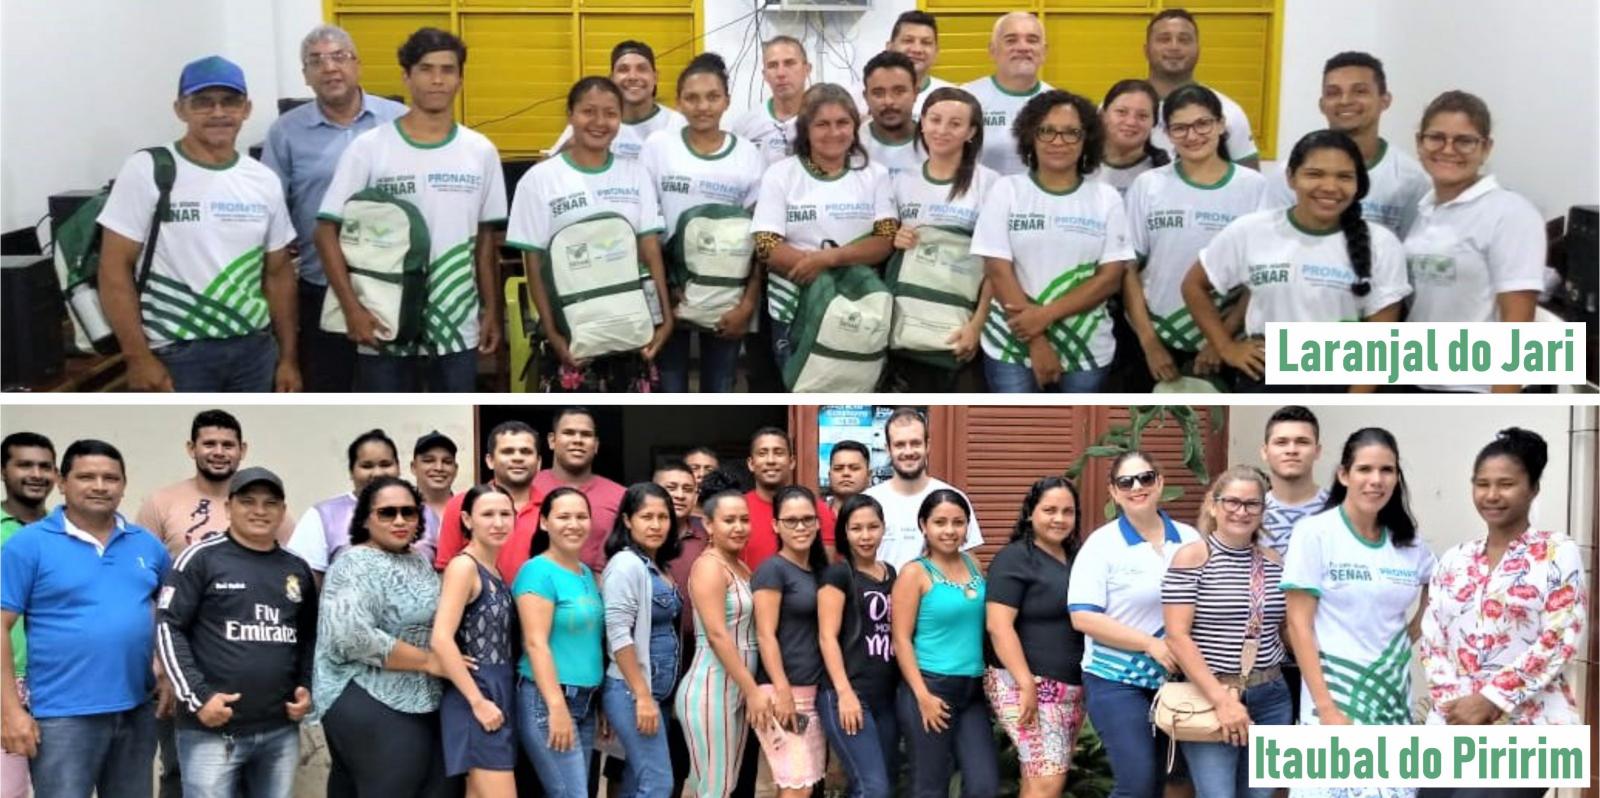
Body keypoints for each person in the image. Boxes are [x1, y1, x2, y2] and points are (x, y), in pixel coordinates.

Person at [317, 27, 506, 393]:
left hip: (456, 323)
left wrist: (490, 310)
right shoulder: (369, 148)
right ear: (406, 76)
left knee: (453, 429)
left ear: (460, 78)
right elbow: (326, 232)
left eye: (447, 70)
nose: (437, 79)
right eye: (425, 68)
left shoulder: (480, 150)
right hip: (383, 320)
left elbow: (485, 241)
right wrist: (352, 309)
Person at [98, 55, 299, 393]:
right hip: (177, 355)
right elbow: (114, 268)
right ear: (180, 109)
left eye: (230, 102)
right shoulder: (148, 169)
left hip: (255, 352)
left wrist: (288, 359)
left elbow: (278, 274)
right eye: (203, 103)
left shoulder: (263, 179)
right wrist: (137, 357)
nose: (219, 113)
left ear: (246, 108)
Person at [1419, 429, 1585, 798]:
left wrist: (1490, 700)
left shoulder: (1557, 552)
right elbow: (1432, 640)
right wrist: (1456, 707)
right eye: (1482, 484)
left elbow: (1558, 639)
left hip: (1529, 725)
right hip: (1454, 723)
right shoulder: (1455, 558)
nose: (1492, 495)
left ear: (1533, 489)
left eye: (1506, 484)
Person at [1, 440, 170, 798]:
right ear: (63, 482)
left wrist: (168, 676)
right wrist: (11, 712)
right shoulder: (28, 544)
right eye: (86, 476)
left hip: (137, 710)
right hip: (61, 717)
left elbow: (174, 618)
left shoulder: (148, 545)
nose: (99, 485)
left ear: (124, 485)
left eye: (110, 477)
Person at [1182, 130, 1411, 392]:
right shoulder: (1251, 230)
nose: (1329, 186)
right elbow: (1193, 285)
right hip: (1264, 373)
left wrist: (1351, 401)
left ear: (1359, 184)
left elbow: (1380, 346)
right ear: (1291, 177)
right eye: (1314, 174)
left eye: (1344, 177)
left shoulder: (1381, 244)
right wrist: (1227, 347)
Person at [156, 467, 318, 798]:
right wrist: (199, 698)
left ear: (282, 512)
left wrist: (305, 687)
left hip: (279, 730)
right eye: (248, 502)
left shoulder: (296, 568)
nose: (259, 511)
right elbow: (168, 627)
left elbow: (308, 636)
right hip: (212, 730)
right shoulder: (200, 558)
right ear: (228, 508)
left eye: (270, 503)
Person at [262, 24, 407, 391]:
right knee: (330, 387)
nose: (329, 68)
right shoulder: (285, 132)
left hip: (393, 285)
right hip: (319, 284)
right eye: (316, 61)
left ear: (357, 64)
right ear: (306, 75)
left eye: (339, 57)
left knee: (394, 389)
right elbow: (271, 209)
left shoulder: (399, 120)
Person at [508, 77, 673, 394]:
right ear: (570, 114)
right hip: (572, 336)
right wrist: (555, 336)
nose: (600, 122)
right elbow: (533, 263)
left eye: (610, 113)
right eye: (588, 112)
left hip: (633, 333)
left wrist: (664, 321)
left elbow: (650, 251)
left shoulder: (635, 173)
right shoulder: (539, 180)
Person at [973, 89, 1133, 393]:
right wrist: (1036, 339)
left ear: (1087, 139)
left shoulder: (1106, 198)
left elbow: (1110, 279)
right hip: (1011, 343)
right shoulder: (1007, 190)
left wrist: (1044, 316)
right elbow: (997, 269)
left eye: (1071, 133)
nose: (1058, 141)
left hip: (1085, 347)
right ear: (1030, 136)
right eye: (1047, 131)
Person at [1280, 428, 1434, 733]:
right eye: (1364, 469)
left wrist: (1414, 631)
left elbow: (1439, 583)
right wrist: (1327, 710)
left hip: (1393, 699)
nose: (1376, 480)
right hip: (1334, 703)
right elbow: (1299, 626)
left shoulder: (1408, 541)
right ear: (1344, 475)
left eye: (1387, 470)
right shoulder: (1314, 533)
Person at [1068, 451, 1201, 798]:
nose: (1136, 487)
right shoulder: (1102, 544)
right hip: (1117, 681)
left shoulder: (1190, 539)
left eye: (1145, 478)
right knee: (1137, 783)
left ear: (1159, 482)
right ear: (1113, 492)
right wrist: (1150, 643)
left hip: (1177, 683)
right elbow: (1083, 616)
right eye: (1125, 482)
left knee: (1168, 783)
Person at [1121, 84, 1267, 391]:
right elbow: (1128, 270)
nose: (1192, 135)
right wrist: (1149, 343)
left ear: (1221, 125)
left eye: (1203, 124)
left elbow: (1260, 278)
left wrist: (1221, 340)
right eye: (1180, 128)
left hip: (1229, 343)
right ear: (1167, 133)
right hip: (1158, 339)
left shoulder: (1255, 188)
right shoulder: (1148, 186)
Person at [312, 476, 448, 798]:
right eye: (387, 513)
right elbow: (351, 636)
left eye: (409, 512)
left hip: (421, 696)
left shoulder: (418, 561)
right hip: (366, 691)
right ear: (365, 518)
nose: (400, 520)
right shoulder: (353, 562)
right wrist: (430, 661)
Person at [1404, 91, 1546, 394]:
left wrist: (1501, 399)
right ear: (1419, 143)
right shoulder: (1425, 208)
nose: (1448, 149)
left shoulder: (1511, 212)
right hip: (1418, 378)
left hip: (1474, 385)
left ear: (1486, 148)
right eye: (1436, 138)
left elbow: (1517, 323)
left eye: (1464, 141)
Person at [1162, 466, 1290, 798]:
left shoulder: (1275, 563)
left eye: (1252, 504)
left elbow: (1288, 629)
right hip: (1210, 696)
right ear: (1213, 505)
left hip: (1271, 696)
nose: (1241, 511)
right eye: (1232, 501)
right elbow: (1177, 636)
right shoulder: (1192, 558)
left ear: (1263, 511)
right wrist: (1223, 701)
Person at [640, 53, 765, 394]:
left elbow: (761, 238)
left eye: (712, 97)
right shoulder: (658, 147)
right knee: (669, 383)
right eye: (692, 98)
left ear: (727, 100)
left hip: (727, 295)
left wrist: (747, 305)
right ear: (678, 103)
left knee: (721, 384)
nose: (703, 106)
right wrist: (665, 288)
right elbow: (645, 225)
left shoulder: (747, 155)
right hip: (671, 292)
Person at [751, 83, 896, 372]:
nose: (834, 132)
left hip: (858, 305)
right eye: (822, 124)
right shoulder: (780, 174)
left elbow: (885, 240)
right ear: (806, 129)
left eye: (843, 123)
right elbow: (767, 245)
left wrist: (829, 259)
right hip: (794, 304)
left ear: (855, 126)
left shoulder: (875, 175)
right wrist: (820, 280)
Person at [886, 86, 998, 392]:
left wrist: (977, 325)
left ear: (972, 131)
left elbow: (997, 267)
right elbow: (882, 242)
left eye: (955, 123)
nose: (942, 130)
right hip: (904, 325)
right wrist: (894, 238)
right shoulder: (899, 180)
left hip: (958, 326)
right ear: (921, 123)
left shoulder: (989, 184)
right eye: (934, 120)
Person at [984, 476, 1089, 798]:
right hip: (1028, 684)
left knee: (1040, 777)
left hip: (1068, 687)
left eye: (1067, 512)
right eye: (1049, 510)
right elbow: (998, 626)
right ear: (1030, 513)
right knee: (1048, 780)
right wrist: (1026, 682)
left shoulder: (1076, 558)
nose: (1059, 519)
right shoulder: (1015, 558)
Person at [891, 490, 995, 798]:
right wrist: (922, 696)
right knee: (930, 786)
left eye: (958, 522)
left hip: (972, 690)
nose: (949, 530)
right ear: (924, 524)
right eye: (940, 522)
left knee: (984, 785)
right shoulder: (915, 573)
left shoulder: (973, 563)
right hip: (931, 688)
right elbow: (900, 638)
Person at [676, 470, 770, 797]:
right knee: (717, 787)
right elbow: (717, 635)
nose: (739, 527)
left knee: (705, 783)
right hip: (711, 687)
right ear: (709, 526)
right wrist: (753, 690)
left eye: (744, 520)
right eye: (729, 520)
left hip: (736, 687)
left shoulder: (741, 566)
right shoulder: (709, 566)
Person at [1267, 52, 1428, 239]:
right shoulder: (1289, 174)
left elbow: (1411, 251)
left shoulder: (1411, 179)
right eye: (1333, 93)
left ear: (1385, 100)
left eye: (1359, 91)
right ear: (1322, 104)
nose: (1345, 101)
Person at [515, 487, 604, 798]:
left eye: (581, 516)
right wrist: (556, 707)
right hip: (549, 699)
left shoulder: (584, 573)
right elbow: (535, 643)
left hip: (586, 701)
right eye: (563, 516)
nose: (574, 523)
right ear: (544, 522)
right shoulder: (537, 571)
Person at [432, 484, 519, 798]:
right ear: (468, 520)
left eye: (505, 514)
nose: (498, 522)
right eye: (488, 514)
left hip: (498, 690)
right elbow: (441, 638)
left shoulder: (492, 568)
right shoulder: (463, 566)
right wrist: (478, 701)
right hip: (476, 695)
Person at [601, 483, 685, 798]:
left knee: (638, 781)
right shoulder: (626, 565)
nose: (655, 525)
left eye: (663, 517)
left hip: (655, 694)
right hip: (632, 690)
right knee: (658, 783)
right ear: (627, 520)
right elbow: (619, 635)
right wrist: (642, 696)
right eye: (646, 516)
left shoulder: (657, 566)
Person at [751, 487, 832, 797]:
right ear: (776, 526)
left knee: (804, 786)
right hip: (784, 692)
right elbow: (765, 634)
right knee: (795, 787)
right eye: (791, 520)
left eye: (807, 520)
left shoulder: (816, 570)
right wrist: (782, 690)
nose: (801, 527)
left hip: (811, 692)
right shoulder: (773, 569)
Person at [816, 495, 898, 798]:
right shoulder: (837, 574)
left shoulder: (891, 572)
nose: (865, 536)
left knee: (877, 783)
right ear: (845, 532)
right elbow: (826, 637)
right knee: (873, 789)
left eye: (872, 527)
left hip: (885, 697)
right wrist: (844, 693)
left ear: (883, 528)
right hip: (848, 694)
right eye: (856, 528)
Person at [139, 409, 293, 560]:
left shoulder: (267, 508)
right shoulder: (160, 502)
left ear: (242, 450)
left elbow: (290, 565)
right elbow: (141, 566)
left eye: (228, 445)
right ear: (192, 448)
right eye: (209, 444)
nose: (219, 452)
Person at [0, 432, 55, 798]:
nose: (36, 474)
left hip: (59, 684)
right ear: (3, 471)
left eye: (45, 466)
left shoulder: (66, 532)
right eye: (25, 465)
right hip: (7, 682)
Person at [286, 428, 416, 575]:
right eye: (367, 466)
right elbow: (302, 580)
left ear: (398, 468)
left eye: (385, 464)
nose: (378, 473)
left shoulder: (421, 513)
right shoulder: (323, 515)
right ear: (351, 471)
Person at [1143, 9, 1259, 170]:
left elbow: (1250, 183)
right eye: (1164, 39)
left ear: (1198, 50)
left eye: (1184, 40)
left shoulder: (1228, 111)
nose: (1174, 46)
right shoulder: (1117, 108)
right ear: (1146, 50)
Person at [864, 409, 981, 568]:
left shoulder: (953, 499)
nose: (908, 451)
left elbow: (970, 563)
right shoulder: (868, 502)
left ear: (927, 446)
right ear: (888, 449)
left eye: (915, 443)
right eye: (899, 445)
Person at [512, 408, 625, 573]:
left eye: (586, 434)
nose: (577, 440)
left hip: (598, 593)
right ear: (552, 441)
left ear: (596, 445)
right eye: (569, 433)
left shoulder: (620, 496)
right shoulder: (526, 487)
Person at [435, 420, 545, 581]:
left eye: (526, 452)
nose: (517, 458)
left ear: (539, 462)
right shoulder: (461, 504)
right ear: (490, 460)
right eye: (508, 451)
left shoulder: (553, 508)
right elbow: (446, 571)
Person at [552, 41, 686, 161]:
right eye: (623, 69)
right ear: (611, 78)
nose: (633, 76)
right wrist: (568, 147)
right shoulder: (592, 124)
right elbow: (541, 172)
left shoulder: (677, 124)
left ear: (655, 77)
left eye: (642, 69)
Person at [962, 12, 1052, 176]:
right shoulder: (965, 98)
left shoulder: (1058, 104)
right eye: (1011, 40)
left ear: (1044, 51)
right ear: (992, 50)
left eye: (1032, 40)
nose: (1023, 47)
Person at [742, 428, 836, 569]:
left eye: (778, 453)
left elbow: (827, 569)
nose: (771, 460)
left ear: (792, 461)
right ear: (751, 463)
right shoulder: (737, 509)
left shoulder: (817, 510)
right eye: (762, 453)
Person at [729, 36, 812, 166]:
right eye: (773, 65)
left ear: (807, 69)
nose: (781, 73)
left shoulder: (825, 123)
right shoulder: (745, 126)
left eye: (789, 63)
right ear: (765, 75)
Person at [1260, 406, 1327, 557]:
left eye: (1302, 442)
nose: (1291, 450)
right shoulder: (1247, 512)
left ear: (1317, 451)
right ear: (1265, 452)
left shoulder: (1338, 510)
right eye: (1281, 442)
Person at [1098, 80, 1170, 196]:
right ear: (1103, 115)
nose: (1131, 122)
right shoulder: (1079, 167)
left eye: (1142, 116)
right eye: (1121, 112)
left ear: (1154, 122)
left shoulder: (1165, 174)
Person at [860, 51, 923, 179]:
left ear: (915, 93)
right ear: (866, 97)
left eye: (899, 92)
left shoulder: (936, 142)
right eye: (878, 93)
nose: (888, 101)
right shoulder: (851, 143)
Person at [887, 11, 951, 121]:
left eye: (926, 42)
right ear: (890, 48)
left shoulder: (953, 98)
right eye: (908, 40)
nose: (917, 49)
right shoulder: (861, 97)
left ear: (936, 52)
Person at [411, 430, 460, 522]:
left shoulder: (468, 509)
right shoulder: (403, 511)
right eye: (429, 460)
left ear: (456, 469)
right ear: (414, 467)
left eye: (447, 462)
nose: (439, 468)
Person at [825, 440, 872, 513]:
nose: (845, 473)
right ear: (829, 475)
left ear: (869, 475)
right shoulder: (815, 515)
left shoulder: (885, 514)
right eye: (838, 468)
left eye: (854, 468)